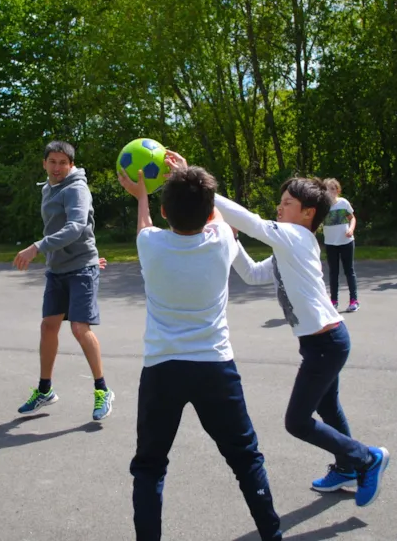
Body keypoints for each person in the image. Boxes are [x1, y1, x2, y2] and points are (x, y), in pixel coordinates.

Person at [118, 153, 282, 541]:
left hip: (163, 369)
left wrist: (141, 194)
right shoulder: (221, 239)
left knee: (150, 466)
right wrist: (187, 173)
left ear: (163, 209)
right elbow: (215, 215)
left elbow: (146, 224)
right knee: (245, 459)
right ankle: (272, 535)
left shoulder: (150, 245)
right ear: (209, 209)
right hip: (215, 368)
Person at [211, 173, 389, 508]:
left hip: (326, 345)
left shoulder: (294, 236)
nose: (279, 208)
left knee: (297, 422)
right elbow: (251, 275)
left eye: (287, 203)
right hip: (323, 343)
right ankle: (348, 465)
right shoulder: (287, 246)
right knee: (328, 406)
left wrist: (208, 195)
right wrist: (232, 240)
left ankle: (367, 459)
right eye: (279, 203)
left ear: (308, 213)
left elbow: (252, 223)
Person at [12, 141, 114, 421]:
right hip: (57, 269)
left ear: (71, 165)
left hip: (81, 268)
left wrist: (37, 247)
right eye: (52, 162)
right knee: (48, 327)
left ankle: (102, 390)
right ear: (44, 163)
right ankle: (45, 390)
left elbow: (76, 227)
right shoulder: (48, 188)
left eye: (63, 163)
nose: (57, 168)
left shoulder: (76, 189)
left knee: (80, 328)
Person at [322, 179, 359, 312]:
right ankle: (334, 301)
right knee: (333, 273)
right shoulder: (323, 206)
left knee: (349, 271)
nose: (330, 192)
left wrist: (351, 229)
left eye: (332, 189)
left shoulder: (343, 203)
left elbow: (352, 218)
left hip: (346, 242)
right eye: (327, 189)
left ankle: (354, 300)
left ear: (338, 190)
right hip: (330, 243)